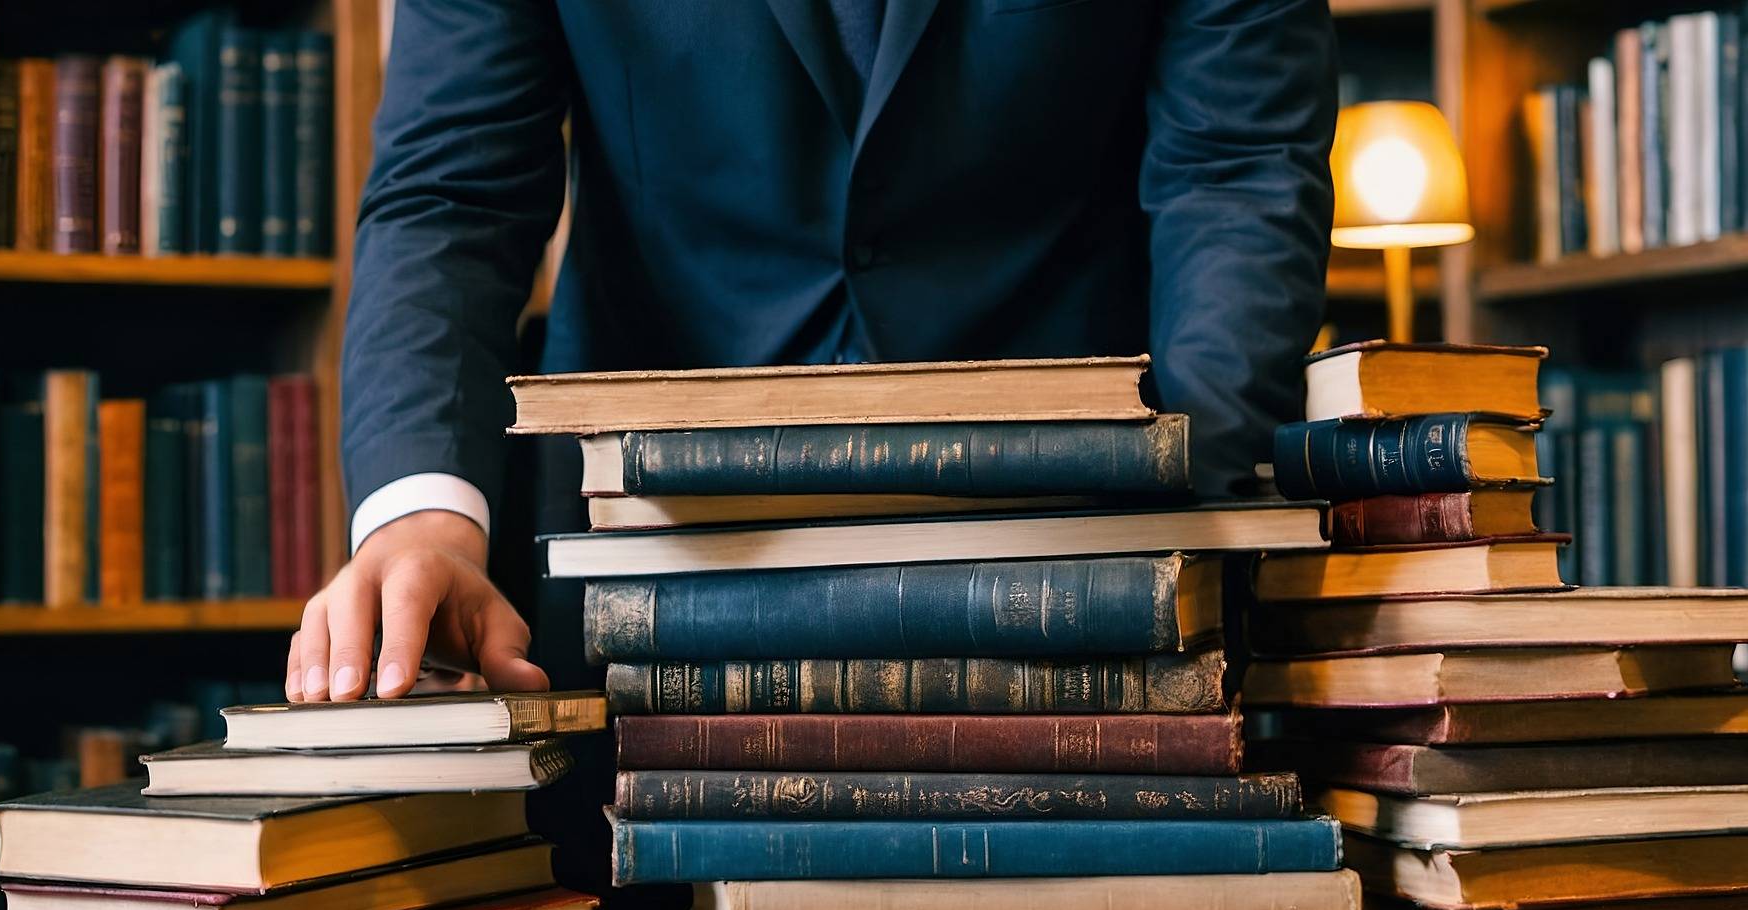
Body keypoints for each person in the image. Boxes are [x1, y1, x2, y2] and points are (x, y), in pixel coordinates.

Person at [286, 0, 1338, 705]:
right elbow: (453, 196)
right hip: (651, 566)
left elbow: (1237, 169)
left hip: (1081, 558)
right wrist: (422, 520)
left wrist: (1186, 509)